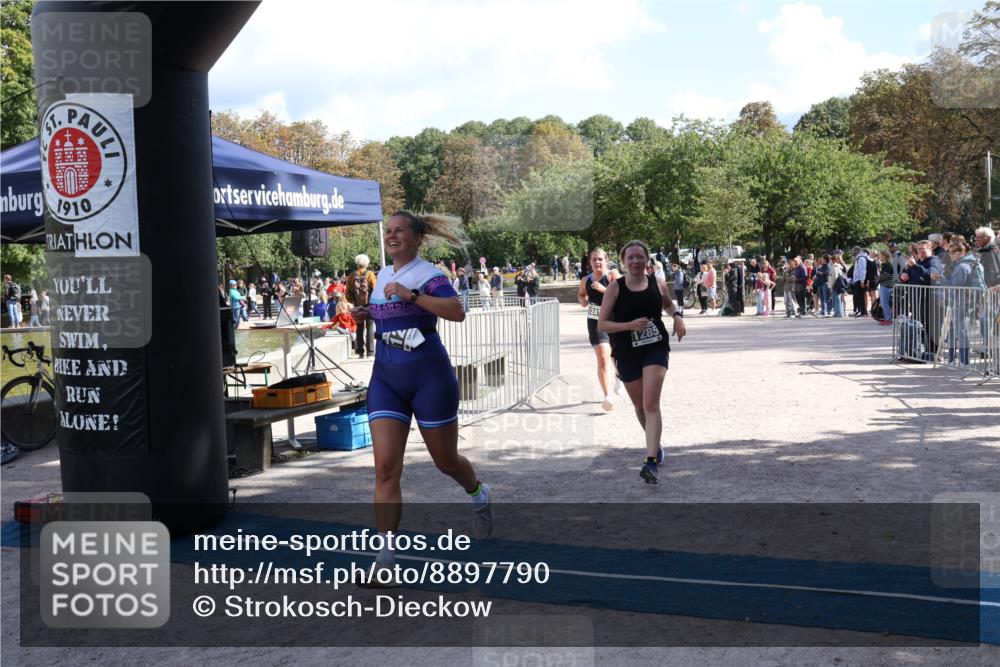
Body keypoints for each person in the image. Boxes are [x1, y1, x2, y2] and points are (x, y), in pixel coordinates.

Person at [354, 210, 492, 575]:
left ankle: (478, 493)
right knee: (385, 469)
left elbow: (455, 311)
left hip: (428, 377)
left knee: (446, 462)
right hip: (385, 379)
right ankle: (385, 560)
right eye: (388, 231)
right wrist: (367, 313)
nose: (392, 236)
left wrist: (412, 295)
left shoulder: (430, 275)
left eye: (399, 230)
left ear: (416, 238)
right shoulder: (382, 274)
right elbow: (390, 313)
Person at [597, 240, 685, 485]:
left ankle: (650, 461)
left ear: (647, 259)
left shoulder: (657, 283)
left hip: (655, 347)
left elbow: (668, 304)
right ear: (624, 261)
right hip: (626, 351)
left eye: (640, 257)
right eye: (631, 257)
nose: (636, 261)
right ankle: (655, 445)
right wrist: (630, 325)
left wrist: (677, 317)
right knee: (639, 406)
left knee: (650, 403)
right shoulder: (616, 288)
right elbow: (602, 324)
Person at [578, 248, 622, 412]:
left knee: (617, 357)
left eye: (600, 259)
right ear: (590, 262)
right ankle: (607, 395)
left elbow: (624, 295)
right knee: (603, 357)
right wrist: (583, 300)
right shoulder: (585, 280)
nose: (597, 262)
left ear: (606, 260)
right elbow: (581, 295)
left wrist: (605, 290)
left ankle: (619, 375)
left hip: (615, 320)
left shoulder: (612, 275)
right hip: (596, 322)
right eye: (594, 259)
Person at [347, 254, 377, 358]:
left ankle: (360, 352)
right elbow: (375, 289)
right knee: (370, 327)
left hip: (357, 305)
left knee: (359, 328)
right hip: (369, 305)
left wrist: (354, 302)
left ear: (356, 263)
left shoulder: (351, 276)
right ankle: (370, 352)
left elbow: (347, 294)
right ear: (367, 263)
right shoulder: (370, 274)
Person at [877, 250, 895, 323]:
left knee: (885, 303)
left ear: (884, 256)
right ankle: (887, 318)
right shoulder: (885, 265)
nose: (879, 257)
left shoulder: (888, 265)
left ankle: (888, 319)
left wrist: (878, 277)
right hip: (885, 286)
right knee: (884, 303)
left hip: (886, 286)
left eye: (880, 255)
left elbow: (885, 277)